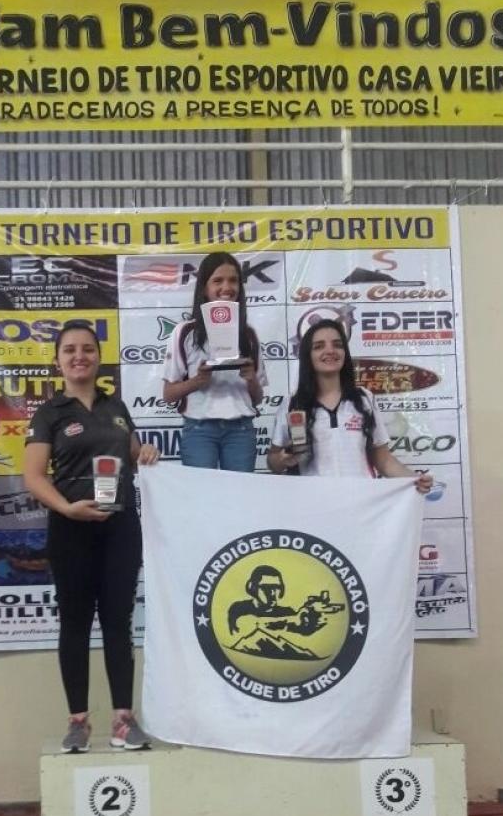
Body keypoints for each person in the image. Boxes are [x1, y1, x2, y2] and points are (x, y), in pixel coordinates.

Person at [23, 320, 160, 754]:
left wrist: (145, 452)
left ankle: (123, 721)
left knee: (119, 622)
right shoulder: (49, 413)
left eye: (87, 349)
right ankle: (78, 722)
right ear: (58, 360)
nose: (79, 356)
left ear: (99, 358)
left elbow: (134, 455)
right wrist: (66, 508)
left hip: (120, 529)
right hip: (71, 529)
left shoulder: (116, 407)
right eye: (70, 350)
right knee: (75, 624)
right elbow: (33, 476)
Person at [267, 318, 434, 493]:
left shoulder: (364, 399)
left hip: (361, 499)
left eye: (337, 345)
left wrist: (414, 479)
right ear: (308, 356)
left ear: (345, 352)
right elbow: (273, 462)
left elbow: (383, 459)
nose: (330, 350)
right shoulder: (292, 404)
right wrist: (282, 460)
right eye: (319, 346)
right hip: (313, 501)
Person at [162, 252, 266, 471]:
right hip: (199, 429)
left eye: (233, 280)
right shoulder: (185, 332)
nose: (226, 287)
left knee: (238, 492)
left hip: (241, 430)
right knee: (202, 492)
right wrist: (197, 381)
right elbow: (169, 394)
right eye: (218, 280)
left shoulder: (248, 334)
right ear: (204, 288)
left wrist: (251, 379)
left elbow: (257, 399)